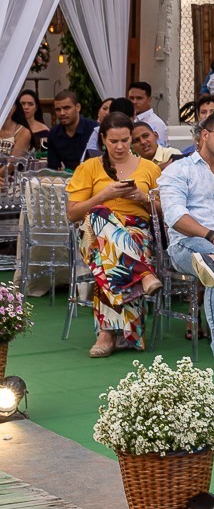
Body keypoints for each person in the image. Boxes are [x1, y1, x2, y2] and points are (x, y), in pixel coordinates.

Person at [66, 113, 162, 358]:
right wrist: (104, 196)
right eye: (113, 141)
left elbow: (167, 210)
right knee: (99, 214)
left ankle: (106, 334)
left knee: (106, 259)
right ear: (103, 140)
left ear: (132, 138)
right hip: (92, 231)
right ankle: (144, 274)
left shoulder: (150, 168)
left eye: (125, 140)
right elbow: (73, 213)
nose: (120, 147)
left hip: (136, 231)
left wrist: (142, 198)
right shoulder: (89, 167)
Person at [158, 112, 214, 377]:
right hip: (188, 246)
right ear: (205, 135)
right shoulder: (179, 170)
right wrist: (211, 237)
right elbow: (175, 217)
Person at [46, 90, 98, 171]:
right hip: (67, 179)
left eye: (66, 108)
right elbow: (53, 168)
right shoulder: (54, 133)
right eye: (58, 109)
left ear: (78, 107)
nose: (62, 113)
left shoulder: (94, 129)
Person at [127, 81, 169, 146]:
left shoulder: (156, 123)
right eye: (131, 98)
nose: (134, 102)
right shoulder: (128, 119)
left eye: (139, 98)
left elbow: (159, 151)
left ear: (149, 100)